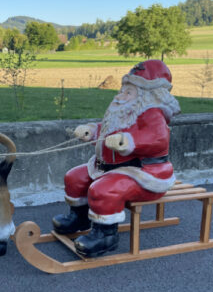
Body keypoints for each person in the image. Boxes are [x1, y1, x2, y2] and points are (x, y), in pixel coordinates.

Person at [52, 60, 181, 257]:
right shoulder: (122, 111)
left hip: (143, 172)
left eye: (129, 92)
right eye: (123, 89)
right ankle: (79, 218)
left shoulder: (152, 113)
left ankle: (105, 236)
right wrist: (93, 131)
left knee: (103, 190)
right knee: (74, 178)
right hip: (110, 167)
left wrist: (128, 141)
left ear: (145, 95)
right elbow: (109, 131)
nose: (121, 94)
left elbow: (158, 139)